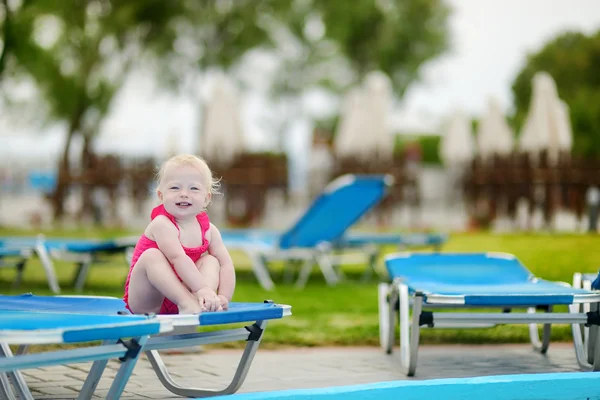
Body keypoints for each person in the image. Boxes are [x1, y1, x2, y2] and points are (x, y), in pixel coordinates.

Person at [123, 154, 235, 315]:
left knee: (211, 261)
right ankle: (188, 302)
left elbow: (226, 264)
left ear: (206, 198)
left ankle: (203, 302)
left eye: (194, 188)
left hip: (190, 293)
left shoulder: (209, 231)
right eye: (175, 187)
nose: (184, 193)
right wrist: (201, 287)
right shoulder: (162, 224)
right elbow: (178, 258)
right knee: (151, 256)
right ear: (161, 196)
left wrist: (224, 296)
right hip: (148, 300)